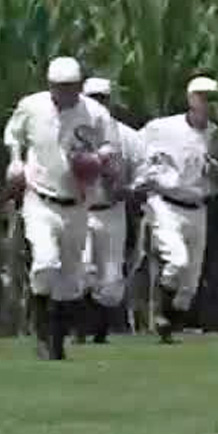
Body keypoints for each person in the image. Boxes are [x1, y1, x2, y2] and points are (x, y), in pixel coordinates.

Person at [4, 57, 121, 360]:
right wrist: (16, 161)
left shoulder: (95, 113)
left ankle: (57, 340)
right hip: (41, 198)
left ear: (79, 86)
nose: (64, 93)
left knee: (70, 278)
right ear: (50, 85)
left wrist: (97, 161)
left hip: (79, 202)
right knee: (45, 263)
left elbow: (111, 145)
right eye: (59, 87)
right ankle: (42, 333)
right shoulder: (31, 106)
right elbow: (13, 134)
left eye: (70, 87)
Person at [135, 76, 218, 344]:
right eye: (202, 96)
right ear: (190, 98)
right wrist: (138, 181)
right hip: (165, 203)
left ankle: (170, 325)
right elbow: (134, 151)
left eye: (212, 98)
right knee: (177, 261)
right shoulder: (162, 128)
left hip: (198, 207)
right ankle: (160, 313)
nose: (207, 103)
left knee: (190, 282)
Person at [76, 77, 144, 343]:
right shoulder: (74, 133)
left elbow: (144, 170)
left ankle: (101, 331)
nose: (98, 104)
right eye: (93, 98)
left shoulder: (127, 136)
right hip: (80, 209)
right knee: (82, 269)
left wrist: (129, 188)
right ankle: (80, 329)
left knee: (111, 276)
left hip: (112, 210)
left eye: (102, 99)